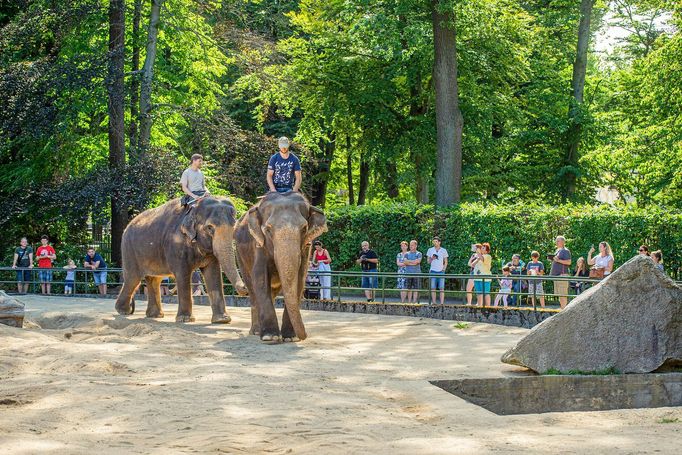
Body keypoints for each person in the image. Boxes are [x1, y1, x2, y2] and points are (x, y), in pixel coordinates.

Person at [549, 235, 572, 309]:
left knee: (563, 294)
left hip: (562, 275)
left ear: (563, 242)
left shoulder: (565, 251)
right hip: (557, 276)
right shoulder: (557, 251)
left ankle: (564, 311)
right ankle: (562, 309)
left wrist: (558, 260)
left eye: (558, 241)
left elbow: (569, 262)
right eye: (556, 241)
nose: (556, 242)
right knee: (560, 295)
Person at [427, 237, 449, 305]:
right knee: (433, 288)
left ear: (439, 242)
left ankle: (442, 303)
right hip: (433, 271)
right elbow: (428, 262)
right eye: (434, 241)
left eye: (436, 241)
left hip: (441, 271)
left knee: (441, 288)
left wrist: (443, 269)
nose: (434, 243)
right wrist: (432, 258)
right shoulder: (430, 250)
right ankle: (434, 303)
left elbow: (446, 261)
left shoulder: (443, 250)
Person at [469, 243, 492, 307]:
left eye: (483, 248)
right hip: (477, 278)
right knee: (479, 293)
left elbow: (482, 259)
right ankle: (479, 306)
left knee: (486, 293)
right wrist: (475, 256)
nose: (481, 248)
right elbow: (471, 264)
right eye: (481, 247)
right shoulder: (479, 257)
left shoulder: (488, 256)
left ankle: (488, 307)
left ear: (486, 251)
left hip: (485, 279)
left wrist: (478, 253)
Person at [404, 240, 423, 304]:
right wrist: (413, 262)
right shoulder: (406, 253)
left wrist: (409, 262)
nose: (410, 246)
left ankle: (414, 302)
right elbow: (405, 262)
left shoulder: (419, 253)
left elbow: (418, 262)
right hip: (408, 273)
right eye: (410, 245)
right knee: (408, 289)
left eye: (412, 245)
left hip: (417, 273)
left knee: (416, 289)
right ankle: (409, 302)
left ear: (416, 246)